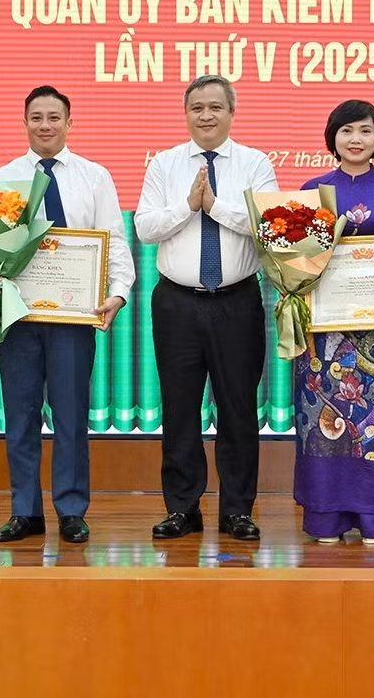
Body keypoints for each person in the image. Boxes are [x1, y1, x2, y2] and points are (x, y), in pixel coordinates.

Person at [0, 86, 134, 546]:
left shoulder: (94, 177)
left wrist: (118, 294)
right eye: (36, 118)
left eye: (54, 117)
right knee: (19, 417)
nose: (45, 125)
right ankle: (24, 511)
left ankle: (70, 509)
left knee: (70, 417)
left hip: (74, 318)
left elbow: (114, 241)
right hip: (18, 317)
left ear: (69, 122)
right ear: (24, 122)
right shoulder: (3, 176)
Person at [134, 75, 279, 541]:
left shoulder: (256, 164)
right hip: (176, 303)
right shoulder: (164, 165)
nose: (206, 116)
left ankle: (237, 509)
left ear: (231, 113)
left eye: (215, 107)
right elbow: (144, 227)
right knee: (179, 409)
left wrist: (214, 206)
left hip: (236, 302)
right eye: (197, 107)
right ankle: (182, 508)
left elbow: (268, 227)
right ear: (186, 113)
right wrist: (186, 206)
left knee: (238, 408)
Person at [296, 100, 374, 546]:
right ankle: (325, 517)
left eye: (365, 131)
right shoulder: (312, 190)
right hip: (322, 333)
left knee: (373, 423)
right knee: (322, 421)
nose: (356, 139)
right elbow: (297, 260)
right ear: (333, 137)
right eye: (347, 131)